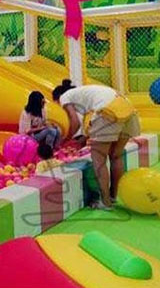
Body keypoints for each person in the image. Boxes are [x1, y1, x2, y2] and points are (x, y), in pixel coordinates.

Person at [52, 79, 140, 210]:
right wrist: (86, 137)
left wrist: (64, 141)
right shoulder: (85, 93)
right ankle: (112, 196)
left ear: (58, 98)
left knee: (99, 160)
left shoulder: (65, 97)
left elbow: (75, 123)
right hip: (127, 109)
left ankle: (105, 202)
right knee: (116, 156)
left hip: (109, 112)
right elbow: (90, 121)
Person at [19, 91, 61, 156]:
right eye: (42, 102)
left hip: (38, 132)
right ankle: (47, 152)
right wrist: (42, 128)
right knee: (51, 131)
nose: (44, 104)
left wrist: (51, 125)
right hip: (28, 137)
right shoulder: (26, 113)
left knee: (57, 130)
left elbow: (44, 122)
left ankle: (56, 148)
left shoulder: (42, 109)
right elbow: (27, 131)